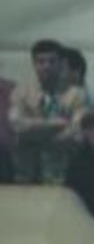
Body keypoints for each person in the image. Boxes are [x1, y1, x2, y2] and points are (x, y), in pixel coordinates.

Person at [11, 39, 86, 183]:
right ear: (34, 64)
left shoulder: (75, 95)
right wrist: (57, 124)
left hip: (60, 176)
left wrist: (34, 130)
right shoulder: (22, 92)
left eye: (52, 61)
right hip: (25, 175)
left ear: (61, 63)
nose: (46, 66)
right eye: (41, 61)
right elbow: (17, 126)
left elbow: (75, 132)